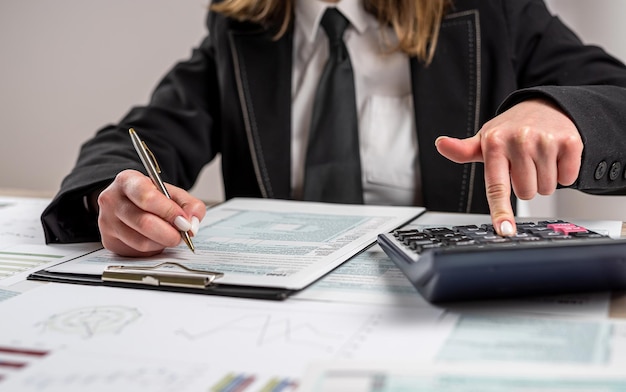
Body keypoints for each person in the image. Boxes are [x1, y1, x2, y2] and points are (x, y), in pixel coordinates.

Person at [41, 0, 626, 257]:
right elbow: (143, 134)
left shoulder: (490, 8)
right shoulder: (237, 30)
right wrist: (114, 192)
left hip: (444, 299)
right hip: (282, 310)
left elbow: (616, 97)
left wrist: (558, 109)